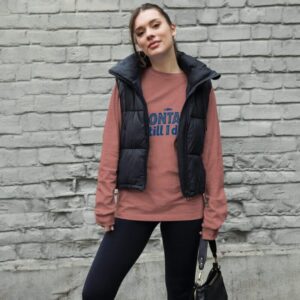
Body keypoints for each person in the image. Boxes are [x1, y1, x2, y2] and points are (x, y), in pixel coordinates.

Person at [82, 3, 227, 300]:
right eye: (140, 32)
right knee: (96, 291)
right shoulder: (127, 86)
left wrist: (215, 213)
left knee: (180, 293)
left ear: (172, 29)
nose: (149, 34)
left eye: (155, 25)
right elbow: (111, 146)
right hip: (135, 204)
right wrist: (103, 202)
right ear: (137, 44)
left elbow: (211, 155)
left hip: (185, 207)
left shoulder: (199, 87)